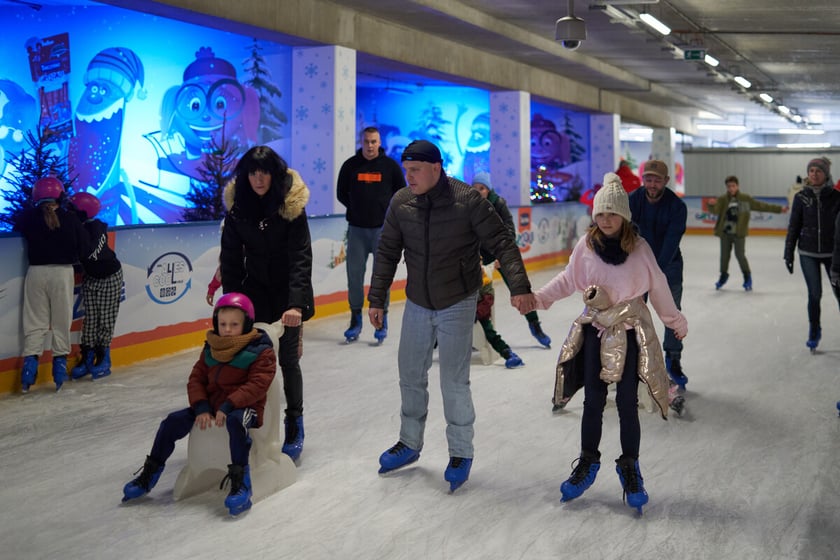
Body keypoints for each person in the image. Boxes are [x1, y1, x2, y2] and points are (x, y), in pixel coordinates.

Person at [368, 140, 535, 492]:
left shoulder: (467, 201)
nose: (408, 176)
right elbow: (386, 252)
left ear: (436, 168)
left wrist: (519, 287)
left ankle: (460, 451)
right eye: (406, 169)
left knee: (453, 380)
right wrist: (377, 299)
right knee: (410, 373)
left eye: (415, 170)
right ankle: (410, 443)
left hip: (458, 298)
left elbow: (504, 242)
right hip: (417, 300)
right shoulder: (402, 203)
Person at [526, 173, 687, 513]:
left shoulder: (639, 249)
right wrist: (540, 298)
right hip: (594, 329)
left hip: (628, 332)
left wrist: (674, 320)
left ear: (624, 216)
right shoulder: (586, 246)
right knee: (594, 401)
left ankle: (630, 466)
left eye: (612, 214)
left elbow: (658, 287)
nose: (605, 220)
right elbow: (568, 279)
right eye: (600, 214)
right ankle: (587, 461)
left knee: (628, 402)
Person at [121, 293, 275, 516]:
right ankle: (149, 474)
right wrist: (201, 407)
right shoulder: (211, 347)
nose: (228, 329)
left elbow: (257, 385)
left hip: (245, 408)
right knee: (172, 422)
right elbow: (196, 379)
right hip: (211, 406)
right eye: (223, 324)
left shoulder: (261, 351)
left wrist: (229, 405)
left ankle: (241, 482)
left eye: (234, 324)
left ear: (247, 324)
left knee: (235, 422)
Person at [220, 145, 314, 462]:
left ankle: (295, 420)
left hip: (288, 294)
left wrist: (296, 305)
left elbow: (301, 257)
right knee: (251, 361)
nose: (259, 179)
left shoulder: (290, 207)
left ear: (274, 174)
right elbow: (231, 259)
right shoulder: (238, 210)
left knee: (287, 360)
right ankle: (252, 420)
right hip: (254, 292)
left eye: (264, 172)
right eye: (252, 172)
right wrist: (232, 304)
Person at [14, 177, 90, 393]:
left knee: (35, 323)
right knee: (61, 322)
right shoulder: (70, 218)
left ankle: (28, 375)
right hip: (62, 273)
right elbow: (84, 247)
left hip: (36, 273)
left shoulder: (28, 217)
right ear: (60, 195)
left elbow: (15, 229)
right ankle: (59, 373)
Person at [336, 126, 406, 343]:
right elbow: (341, 193)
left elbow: (401, 193)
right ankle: (355, 319)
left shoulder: (390, 167)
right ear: (361, 141)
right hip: (356, 230)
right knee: (354, 277)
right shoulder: (350, 166)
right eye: (366, 141)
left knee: (381, 277)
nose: (370, 146)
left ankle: (380, 320)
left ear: (379, 142)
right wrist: (357, 209)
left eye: (374, 142)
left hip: (382, 232)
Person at [471, 172, 551, 348]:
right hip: (479, 255)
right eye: (475, 188)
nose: (478, 192)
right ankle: (467, 334)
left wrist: (502, 255)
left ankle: (535, 325)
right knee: (470, 293)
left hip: (502, 252)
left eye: (482, 188)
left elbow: (509, 229)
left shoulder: (498, 204)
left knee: (520, 288)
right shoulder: (469, 205)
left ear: (488, 190)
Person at [628, 159, 688, 391]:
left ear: (666, 181)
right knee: (632, 314)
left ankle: (673, 359)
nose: (652, 184)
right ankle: (632, 360)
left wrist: (655, 273)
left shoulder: (676, 207)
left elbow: (671, 243)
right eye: (648, 179)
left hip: (668, 266)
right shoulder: (633, 200)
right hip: (637, 268)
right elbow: (625, 233)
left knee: (671, 314)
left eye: (657, 180)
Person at [784, 156, 840, 351]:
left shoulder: (836, 197)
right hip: (807, 252)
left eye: (818, 171)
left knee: (839, 293)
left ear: (826, 174)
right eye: (811, 171)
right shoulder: (801, 198)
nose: (814, 174)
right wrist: (788, 252)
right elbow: (794, 226)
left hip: (833, 253)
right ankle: (814, 330)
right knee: (814, 294)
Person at [67, 192, 123, 380]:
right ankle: (87, 356)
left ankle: (104, 356)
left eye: (73, 210)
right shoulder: (74, 228)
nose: (69, 213)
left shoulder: (97, 228)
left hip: (109, 276)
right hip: (92, 277)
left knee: (105, 319)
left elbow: (91, 255)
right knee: (90, 320)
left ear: (84, 212)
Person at [709, 175, 785, 291]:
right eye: (729, 186)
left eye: (733, 186)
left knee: (740, 255)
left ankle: (747, 277)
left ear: (737, 186)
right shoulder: (723, 199)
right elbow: (714, 211)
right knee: (724, 257)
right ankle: (723, 276)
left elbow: (762, 206)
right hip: (725, 233)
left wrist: (779, 209)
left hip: (739, 233)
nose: (731, 188)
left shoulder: (745, 199)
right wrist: (711, 204)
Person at [476, 265, 523, 369]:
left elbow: (488, 298)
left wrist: (477, 313)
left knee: (489, 332)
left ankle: (507, 353)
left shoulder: (484, 278)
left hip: (479, 314)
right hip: (458, 315)